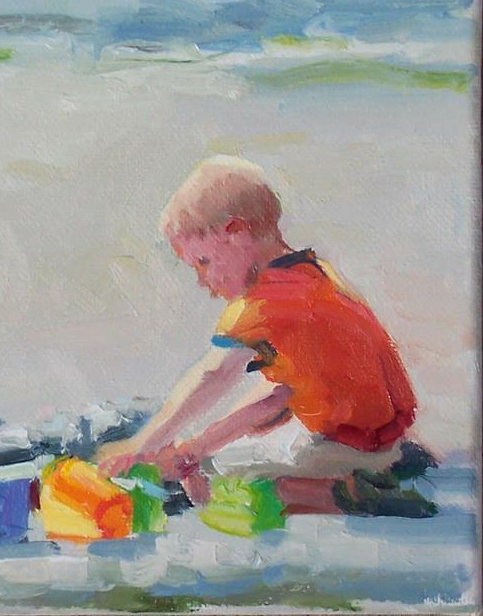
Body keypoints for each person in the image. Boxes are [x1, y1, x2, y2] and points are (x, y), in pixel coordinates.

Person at [98, 156, 437, 519]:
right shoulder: (314, 276)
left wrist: (142, 445)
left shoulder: (262, 304)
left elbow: (212, 376)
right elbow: (279, 395)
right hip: (385, 439)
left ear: (235, 232)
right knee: (235, 453)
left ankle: (348, 494)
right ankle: (387, 467)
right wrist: (196, 448)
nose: (202, 281)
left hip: (347, 448)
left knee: (233, 486)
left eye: (204, 262)